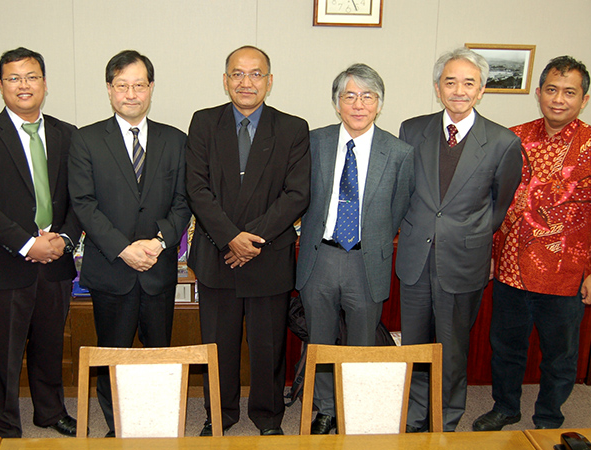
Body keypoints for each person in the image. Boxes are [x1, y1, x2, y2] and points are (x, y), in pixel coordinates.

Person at [473, 56, 591, 431]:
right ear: (539, 93)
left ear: (584, 99)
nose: (559, 99)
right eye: (553, 90)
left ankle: (548, 418)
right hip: (510, 267)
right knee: (506, 348)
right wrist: (490, 255)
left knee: (559, 356)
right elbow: (492, 201)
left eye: (569, 92)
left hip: (566, 275)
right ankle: (506, 407)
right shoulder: (512, 138)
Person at [395, 47, 523, 432]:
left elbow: (499, 205)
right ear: (438, 87)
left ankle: (445, 418)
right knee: (416, 345)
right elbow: (403, 191)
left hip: (463, 259)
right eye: (450, 82)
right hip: (417, 256)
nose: (459, 90)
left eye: (469, 83)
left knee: (452, 348)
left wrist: (468, 232)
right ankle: (418, 417)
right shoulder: (412, 129)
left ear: (481, 90)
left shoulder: (503, 142)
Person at [186, 45, 310, 436]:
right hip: (217, 254)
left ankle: (268, 417)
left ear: (269, 82)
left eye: (256, 74)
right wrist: (229, 239)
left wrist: (250, 241)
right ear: (225, 81)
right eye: (237, 74)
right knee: (217, 348)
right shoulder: (203, 123)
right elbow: (196, 187)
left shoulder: (292, 128)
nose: (246, 82)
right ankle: (218, 416)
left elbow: (296, 194)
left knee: (267, 348)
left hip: (267, 255)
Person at [68, 50, 190, 437]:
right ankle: (116, 426)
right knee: (112, 355)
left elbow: (184, 202)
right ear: (109, 90)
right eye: (122, 85)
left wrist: (157, 243)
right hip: (111, 268)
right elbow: (83, 204)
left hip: (158, 267)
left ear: (151, 88)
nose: (131, 93)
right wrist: (124, 248)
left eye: (139, 85)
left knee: (160, 356)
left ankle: (158, 423)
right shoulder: (85, 140)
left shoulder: (176, 140)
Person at [0, 47, 79, 438]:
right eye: (14, 78)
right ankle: (2, 425)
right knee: (3, 353)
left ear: (44, 83)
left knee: (49, 345)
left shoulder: (67, 134)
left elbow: (80, 196)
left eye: (31, 76)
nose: (23, 85)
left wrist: (63, 238)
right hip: (6, 261)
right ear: (0, 86)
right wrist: (29, 244)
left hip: (56, 260)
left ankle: (49, 411)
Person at [295, 63, 414, 434]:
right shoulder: (314, 142)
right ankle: (327, 408)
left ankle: (355, 407)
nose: (358, 105)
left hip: (367, 260)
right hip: (321, 257)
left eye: (367, 96)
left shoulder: (399, 152)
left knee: (362, 342)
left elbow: (399, 207)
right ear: (336, 104)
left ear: (379, 104)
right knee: (320, 339)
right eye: (349, 96)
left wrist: (373, 240)